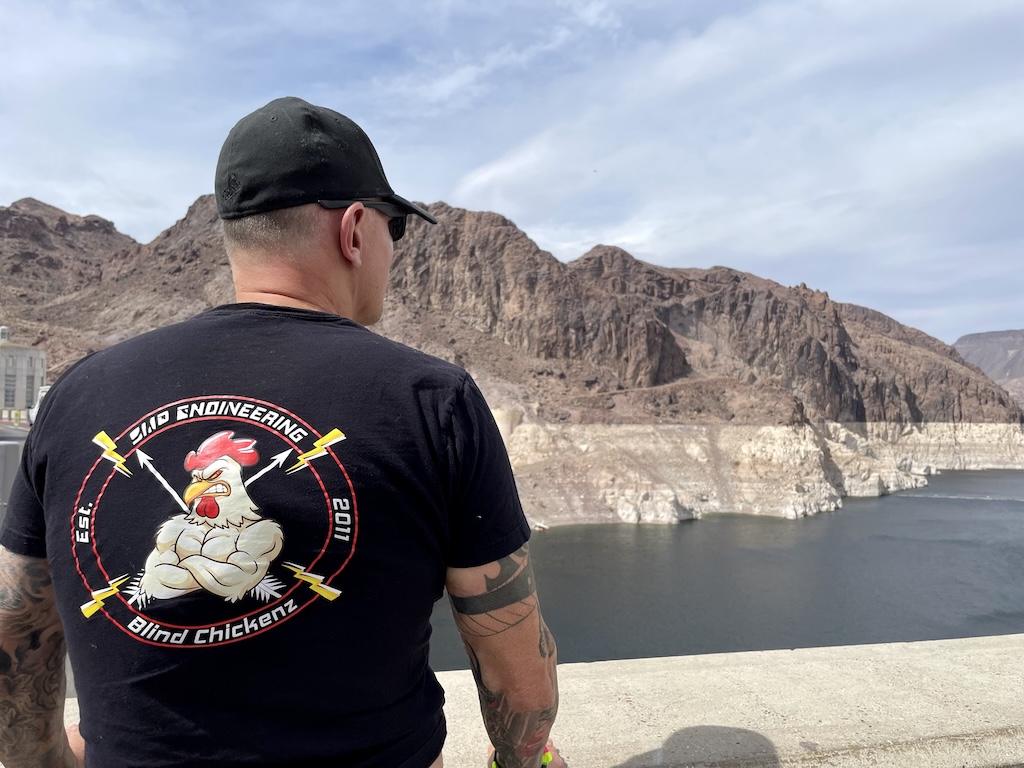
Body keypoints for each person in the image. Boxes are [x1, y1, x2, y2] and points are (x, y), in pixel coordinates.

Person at [0, 96, 565, 768]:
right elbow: (513, 664)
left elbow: (15, 631)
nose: (393, 253)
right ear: (355, 229)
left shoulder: (76, 395)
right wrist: (522, 761)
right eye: (396, 231)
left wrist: (46, 763)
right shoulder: (432, 400)